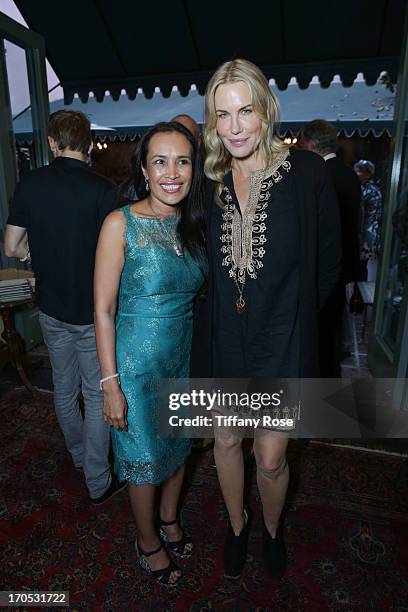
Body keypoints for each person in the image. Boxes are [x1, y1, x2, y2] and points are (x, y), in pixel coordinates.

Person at [191, 59, 341, 580]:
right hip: (226, 335)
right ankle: (238, 524)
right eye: (222, 115)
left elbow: (327, 266)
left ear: (266, 111)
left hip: (283, 333)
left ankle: (273, 530)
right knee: (228, 440)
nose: (234, 128)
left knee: (272, 457)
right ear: (212, 121)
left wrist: (295, 322)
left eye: (245, 111)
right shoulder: (208, 182)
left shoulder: (307, 174)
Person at [94, 121, 206, 587]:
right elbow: (102, 309)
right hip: (135, 368)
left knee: (177, 452)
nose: (172, 173)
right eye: (160, 161)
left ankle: (169, 517)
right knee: (142, 460)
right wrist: (110, 385)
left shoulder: (195, 221)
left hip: (182, 359)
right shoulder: (121, 223)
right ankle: (147, 541)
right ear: (144, 168)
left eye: (182, 161)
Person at [4, 110, 124, 504]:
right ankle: (97, 478)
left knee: (63, 388)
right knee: (96, 394)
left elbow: (12, 246)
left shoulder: (31, 184)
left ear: (53, 142)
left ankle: (78, 457)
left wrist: (33, 255)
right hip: (94, 312)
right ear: (88, 144)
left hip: (52, 307)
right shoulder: (103, 189)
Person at [301, 119, 361, 376]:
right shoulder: (350, 173)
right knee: (332, 333)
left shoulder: (319, 175)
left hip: (325, 268)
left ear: (312, 144)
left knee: (322, 337)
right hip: (345, 265)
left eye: (303, 143)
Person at [354, 159, 383, 282]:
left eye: (359, 171)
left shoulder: (368, 190)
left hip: (366, 235)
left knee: (360, 267)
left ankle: (358, 296)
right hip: (368, 233)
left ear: (367, 174)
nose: (356, 173)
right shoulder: (370, 189)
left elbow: (365, 217)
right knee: (360, 267)